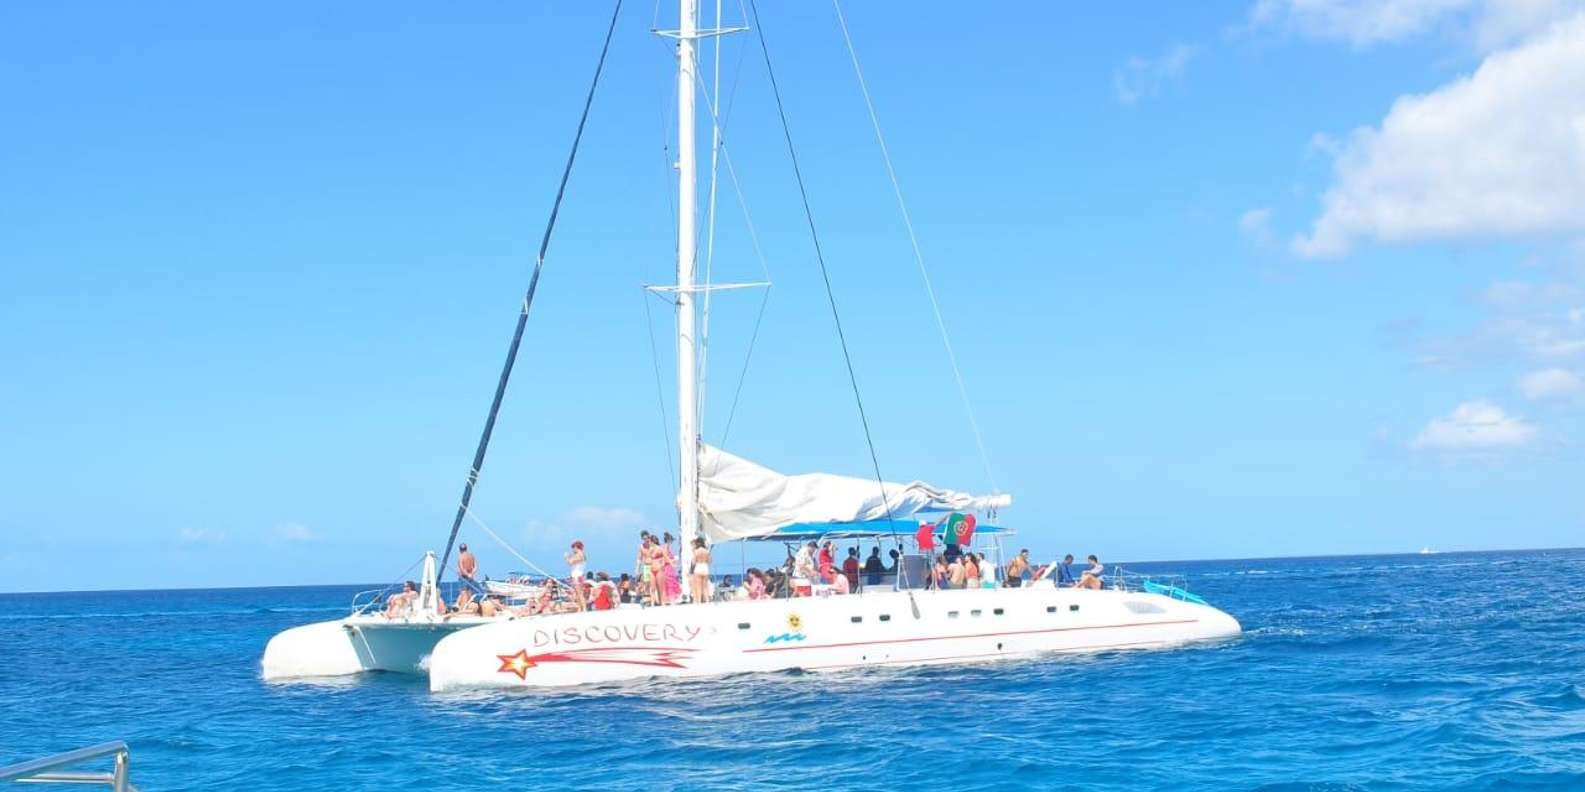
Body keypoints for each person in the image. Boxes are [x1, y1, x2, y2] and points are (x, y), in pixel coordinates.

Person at [565, 540, 588, 612]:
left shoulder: (580, 555)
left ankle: (584, 608)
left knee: (579, 593)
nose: (572, 550)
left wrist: (566, 557)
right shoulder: (579, 554)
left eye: (573, 548)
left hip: (578, 576)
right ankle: (580, 608)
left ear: (576, 547)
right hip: (577, 575)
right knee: (577, 593)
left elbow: (570, 562)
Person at [689, 537, 712, 604]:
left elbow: (693, 562)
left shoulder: (696, 551)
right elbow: (710, 561)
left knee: (698, 587)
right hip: (705, 567)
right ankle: (707, 601)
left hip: (698, 567)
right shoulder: (706, 551)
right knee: (705, 586)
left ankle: (699, 601)